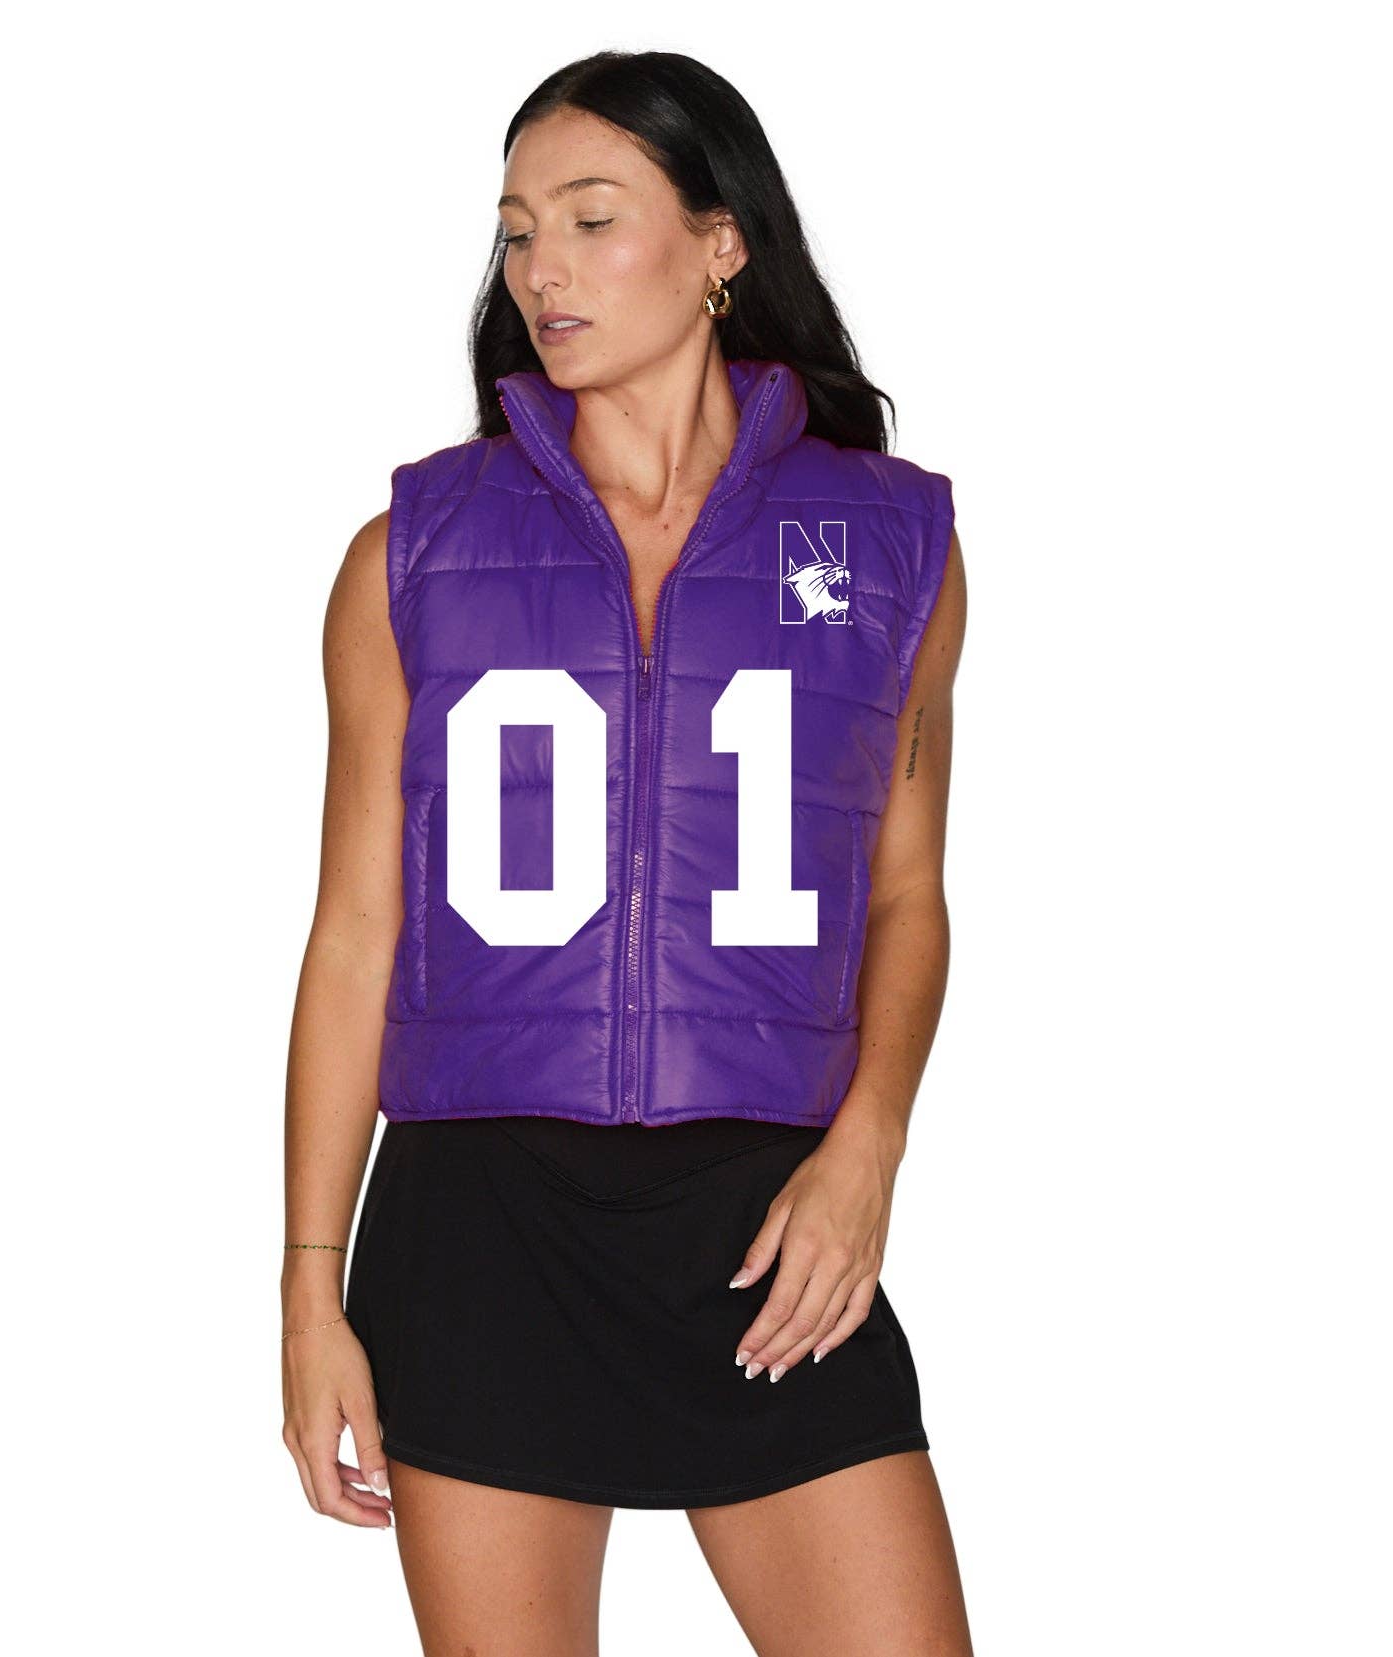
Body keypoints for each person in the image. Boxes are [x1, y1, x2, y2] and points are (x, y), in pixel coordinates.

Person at [281, 50, 973, 1656]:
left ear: (721, 244)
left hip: (765, 1212)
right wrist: (310, 1282)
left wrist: (865, 1151)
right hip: (482, 1224)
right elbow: (355, 934)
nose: (543, 270)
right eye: (519, 230)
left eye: (592, 221)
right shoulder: (411, 553)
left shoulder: (888, 544)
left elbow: (902, 894)